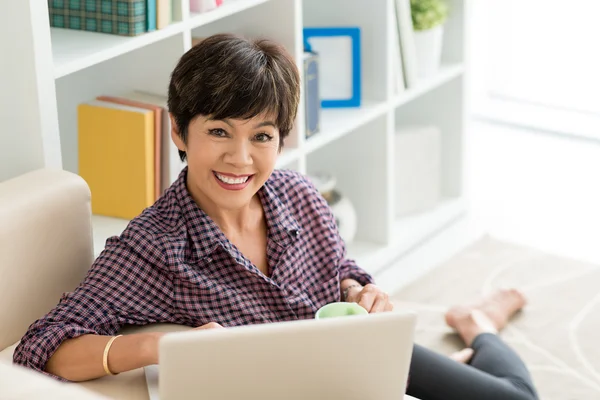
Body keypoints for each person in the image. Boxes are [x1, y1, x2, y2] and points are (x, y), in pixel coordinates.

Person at [13, 33, 538, 400]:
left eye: (261, 136)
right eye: (219, 131)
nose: (241, 159)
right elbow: (42, 346)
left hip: (349, 360)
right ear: (180, 132)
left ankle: (477, 324)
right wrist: (158, 346)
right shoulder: (156, 246)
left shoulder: (301, 195)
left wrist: (358, 291)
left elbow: (341, 272)